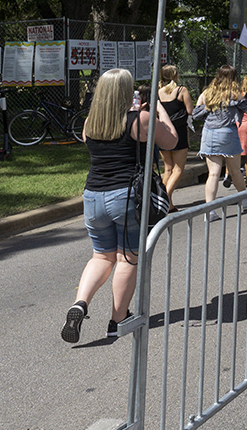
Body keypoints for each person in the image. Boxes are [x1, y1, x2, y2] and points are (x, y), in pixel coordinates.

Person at [62, 68, 178, 343]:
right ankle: (117, 319)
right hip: (125, 196)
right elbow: (172, 140)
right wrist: (159, 109)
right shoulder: (140, 119)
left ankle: (80, 303)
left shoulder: (90, 122)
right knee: (127, 258)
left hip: (92, 196)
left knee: (101, 256)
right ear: (127, 92)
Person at [193, 65, 247, 221]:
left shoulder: (207, 92)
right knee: (234, 170)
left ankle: (209, 211)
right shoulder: (234, 93)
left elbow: (196, 113)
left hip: (209, 133)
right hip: (227, 132)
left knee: (213, 173)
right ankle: (244, 198)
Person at [156, 64, 194, 202]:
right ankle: (165, 198)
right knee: (178, 169)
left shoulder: (158, 92)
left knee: (168, 169)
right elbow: (190, 110)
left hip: (163, 131)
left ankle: (167, 203)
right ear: (175, 75)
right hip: (179, 132)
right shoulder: (181, 90)